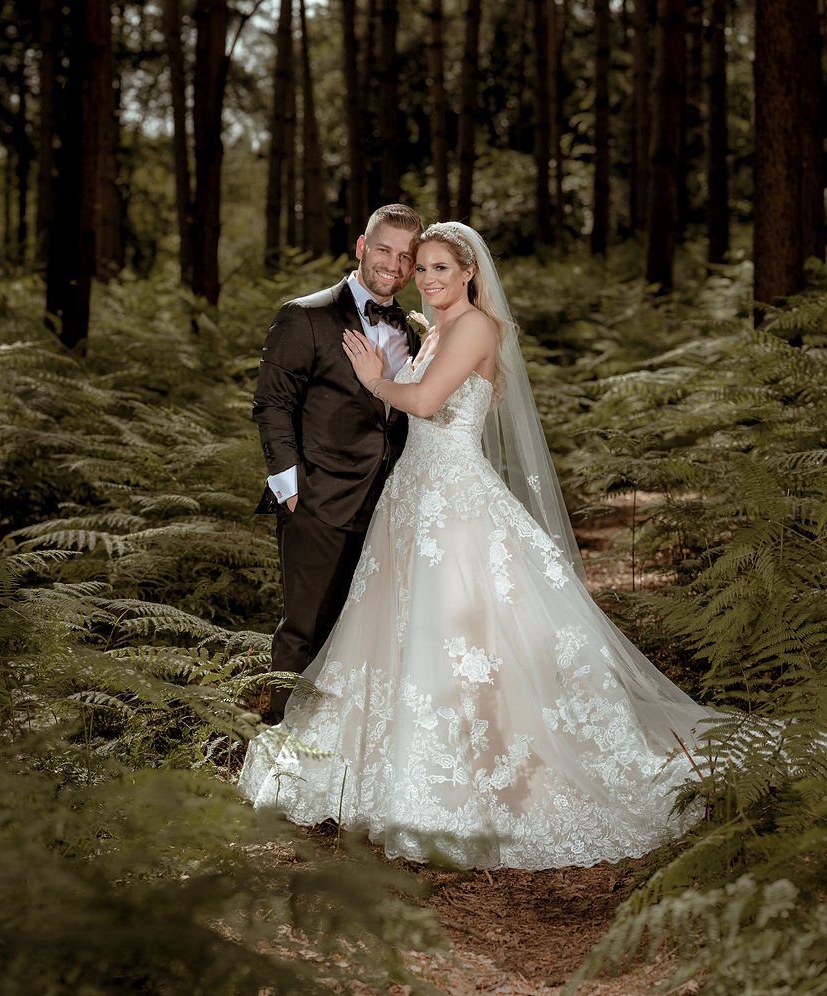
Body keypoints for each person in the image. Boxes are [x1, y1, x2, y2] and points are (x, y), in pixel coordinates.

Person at [239, 222, 715, 870]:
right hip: (408, 499)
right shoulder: (431, 328)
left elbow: (429, 400)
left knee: (460, 634)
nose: (428, 279)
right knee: (393, 634)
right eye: (422, 269)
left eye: (439, 268)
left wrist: (378, 380)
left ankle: (474, 777)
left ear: (469, 273)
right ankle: (367, 764)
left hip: (454, 506)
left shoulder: (476, 329)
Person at [252, 204, 424, 724]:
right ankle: (280, 756)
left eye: (406, 257)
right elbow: (271, 404)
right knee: (306, 630)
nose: (393, 265)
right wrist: (290, 489)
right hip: (318, 503)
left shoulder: (415, 333)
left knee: (366, 638)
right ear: (360, 247)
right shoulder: (306, 316)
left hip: (390, 506)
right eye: (384, 250)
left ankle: (339, 759)